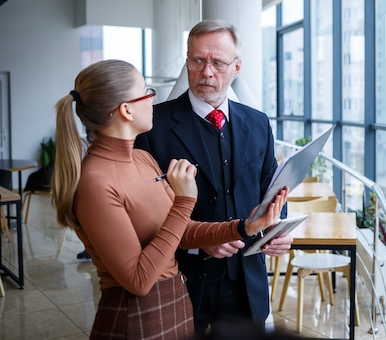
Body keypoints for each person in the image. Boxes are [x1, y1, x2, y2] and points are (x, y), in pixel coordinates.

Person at [52, 59, 287, 340]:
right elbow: (138, 280)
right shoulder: (95, 182)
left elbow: (181, 232)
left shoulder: (143, 159)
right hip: (136, 322)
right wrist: (184, 201)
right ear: (126, 110)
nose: (153, 100)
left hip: (174, 309)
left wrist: (244, 227)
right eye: (146, 92)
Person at [135, 19, 293, 338]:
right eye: (197, 61)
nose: (207, 72)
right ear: (188, 60)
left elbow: (271, 191)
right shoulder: (154, 126)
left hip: (246, 281)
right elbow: (144, 214)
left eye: (218, 63)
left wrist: (277, 230)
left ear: (236, 67)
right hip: (182, 277)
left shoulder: (259, 123)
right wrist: (200, 244)